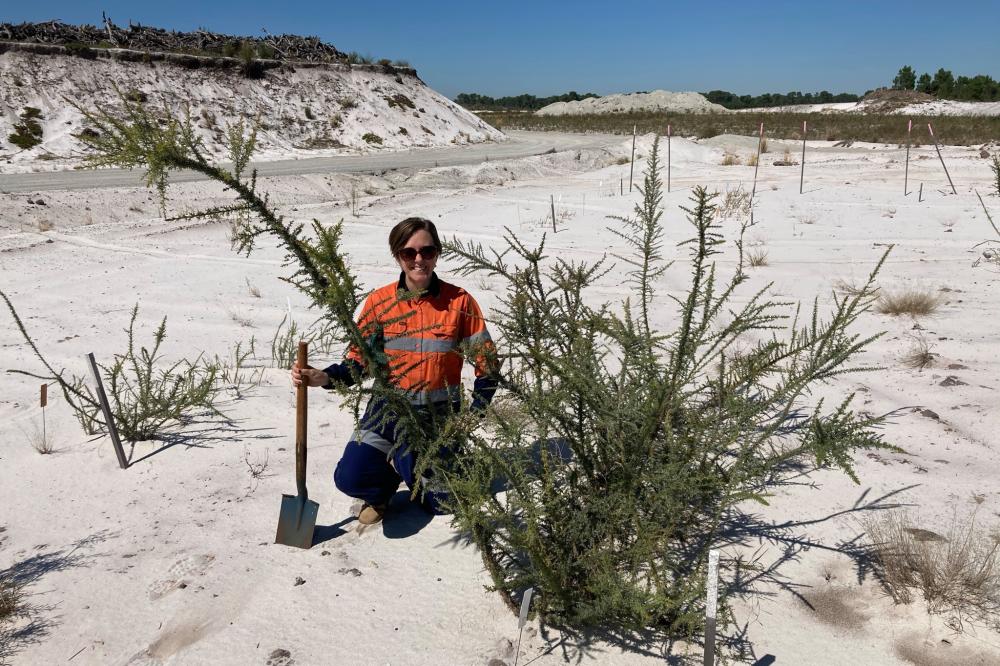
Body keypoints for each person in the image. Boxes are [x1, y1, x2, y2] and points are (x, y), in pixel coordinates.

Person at [291, 217, 499, 525]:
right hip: (386, 411)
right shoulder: (379, 302)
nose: (418, 260)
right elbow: (358, 363)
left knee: (441, 505)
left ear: (437, 253)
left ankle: (432, 462)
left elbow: (489, 367)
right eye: (408, 253)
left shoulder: (460, 302)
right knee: (350, 478)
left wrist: (474, 413)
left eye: (427, 252)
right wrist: (323, 377)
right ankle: (386, 484)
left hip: (437, 416)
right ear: (397, 256)